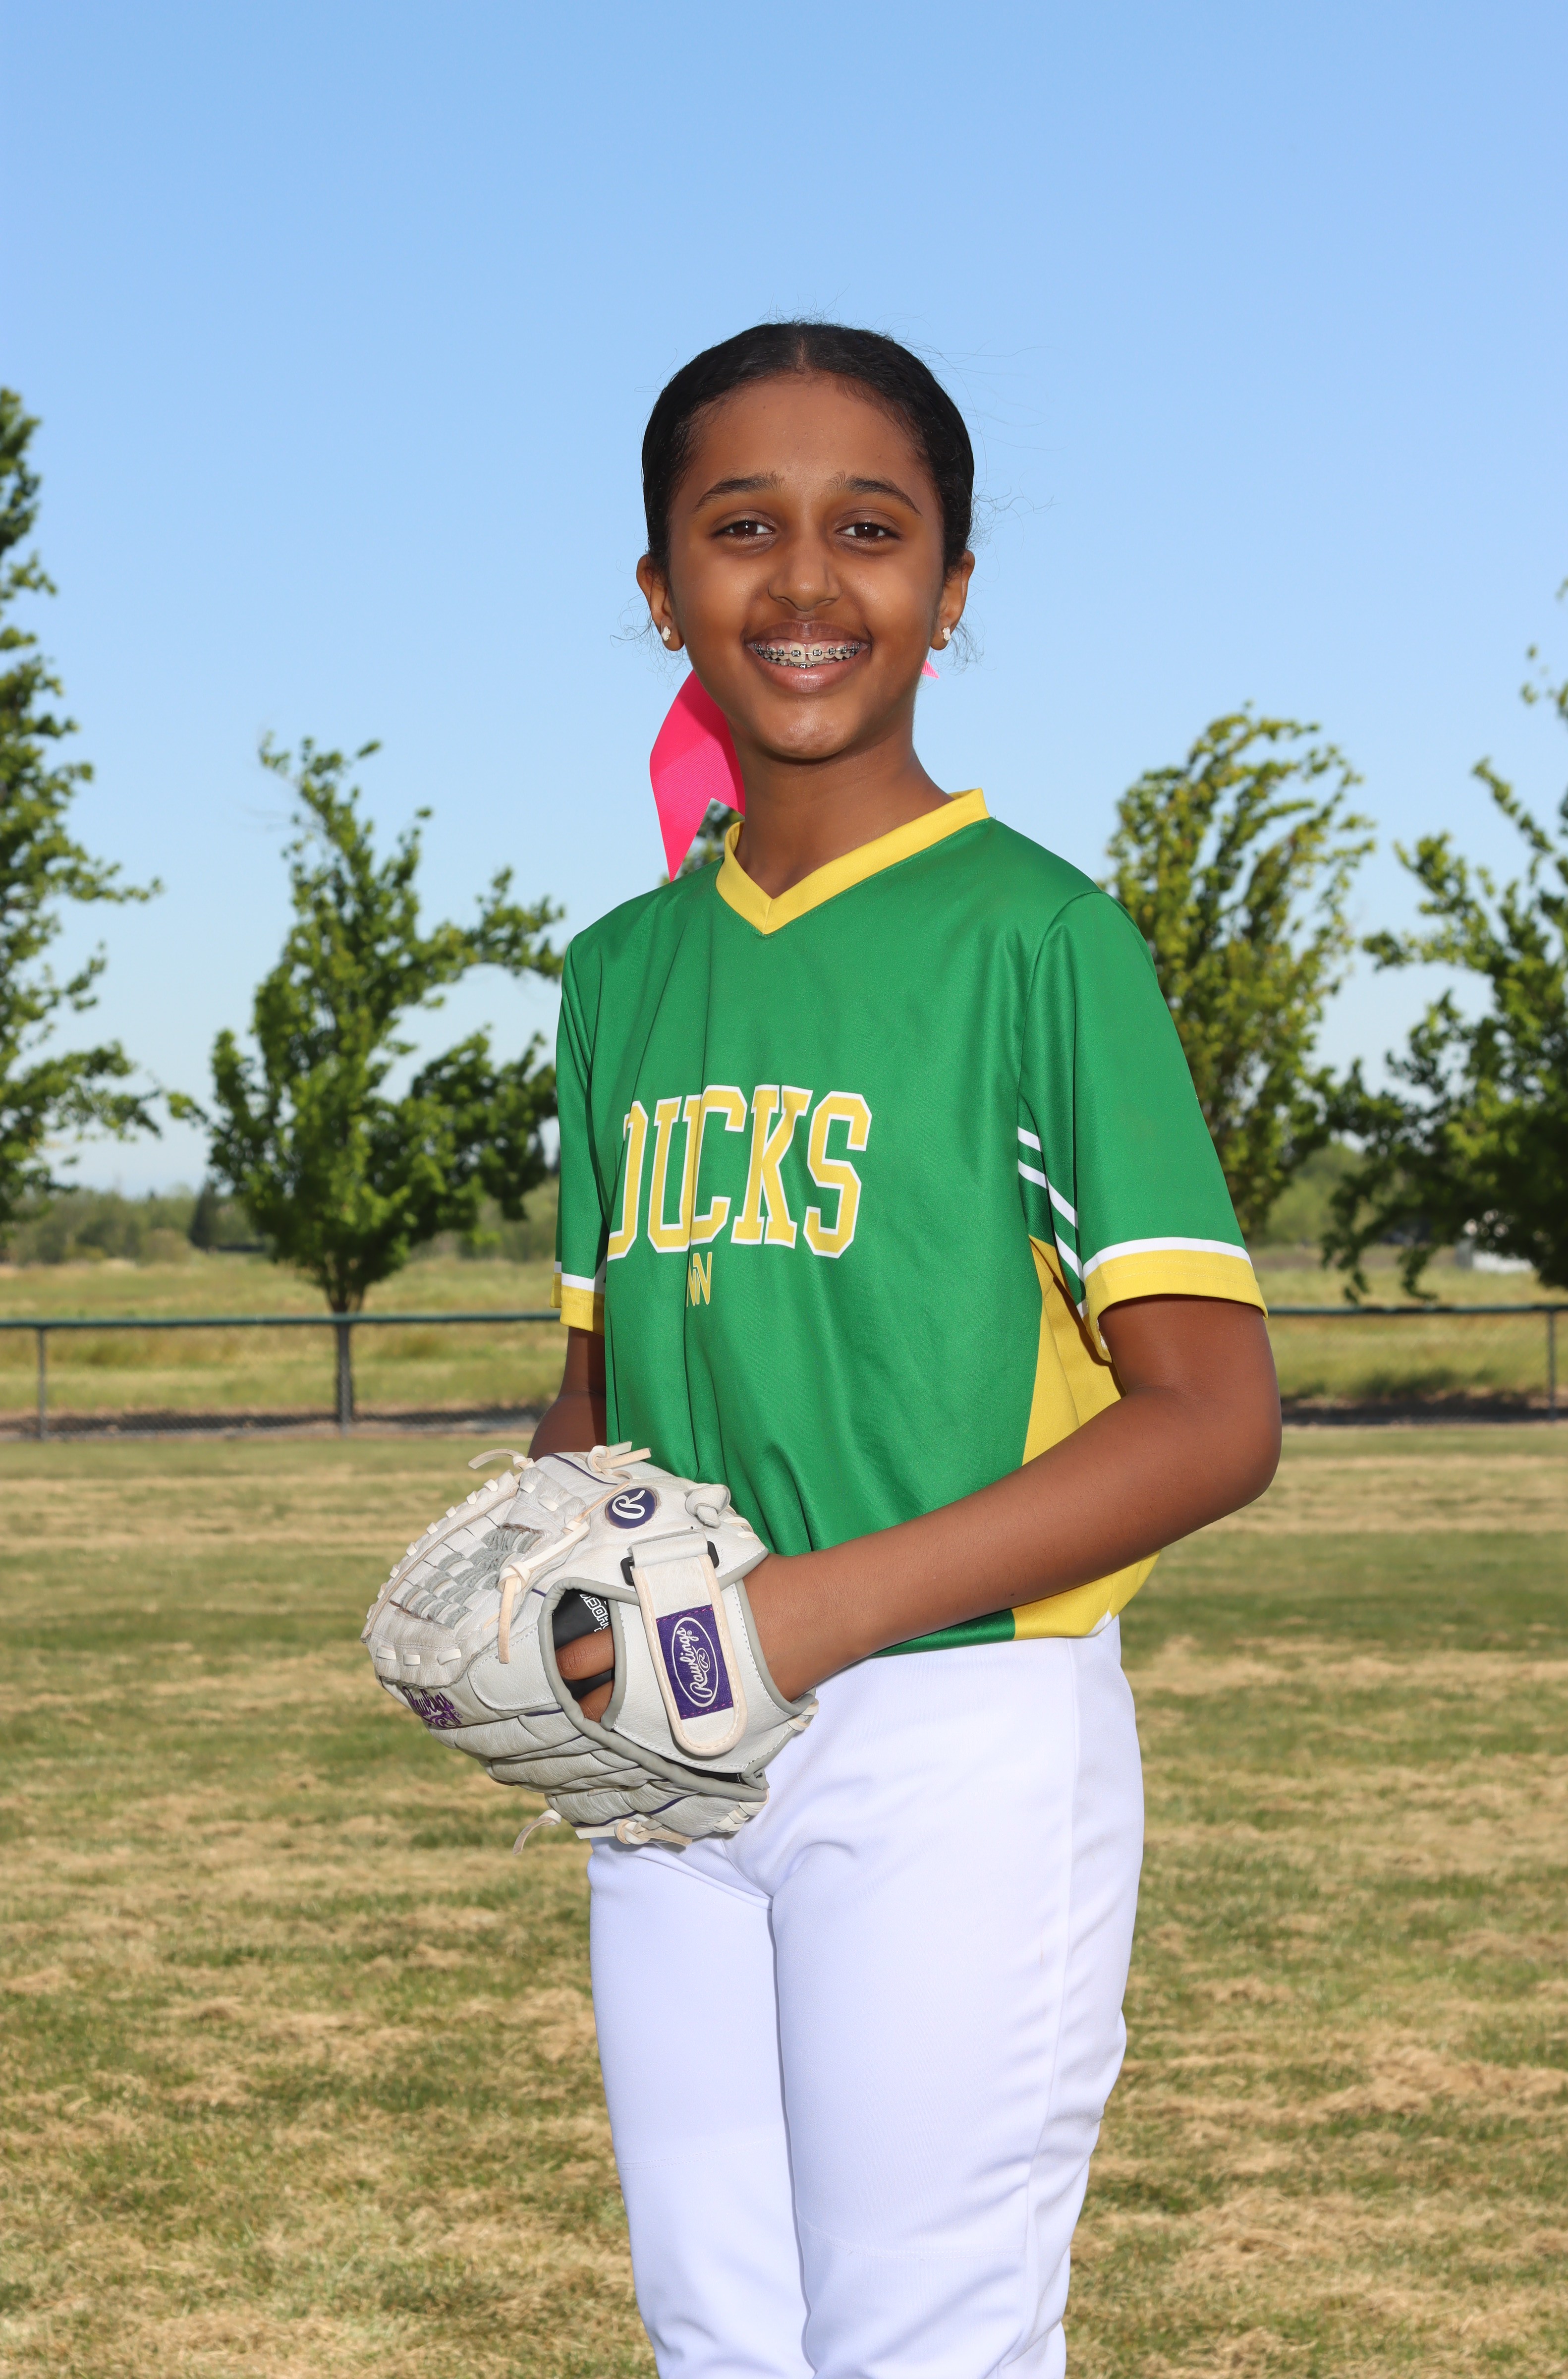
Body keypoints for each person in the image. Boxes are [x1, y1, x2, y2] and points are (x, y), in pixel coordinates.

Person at [532, 322, 1281, 2379]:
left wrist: (812, 1612)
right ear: (658, 588)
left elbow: (1213, 1419)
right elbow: (597, 1386)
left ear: (950, 589)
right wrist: (553, 1590)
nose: (804, 580)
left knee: (920, 2342)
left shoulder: (1038, 940)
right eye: (738, 527)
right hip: (682, 1737)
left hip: (956, 1726)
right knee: (719, 2333)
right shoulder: (619, 974)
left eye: (869, 530)